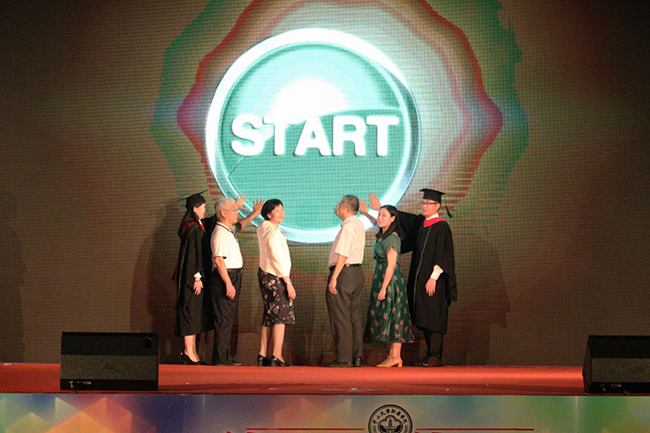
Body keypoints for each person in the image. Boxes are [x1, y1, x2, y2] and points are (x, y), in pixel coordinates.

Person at [363, 189, 457, 367]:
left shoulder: (442, 227)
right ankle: (430, 354)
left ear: (437, 206)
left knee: (433, 315)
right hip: (420, 278)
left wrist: (434, 277)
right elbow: (401, 219)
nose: (424, 206)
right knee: (425, 315)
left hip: (434, 279)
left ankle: (435, 355)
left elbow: (443, 253)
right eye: (423, 203)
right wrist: (379, 209)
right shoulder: (422, 223)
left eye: (428, 204)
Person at [209, 196, 263, 366]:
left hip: (232, 277)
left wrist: (254, 214)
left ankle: (224, 357)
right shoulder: (219, 233)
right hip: (225, 278)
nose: (236, 212)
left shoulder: (227, 230)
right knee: (224, 319)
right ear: (223, 213)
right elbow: (219, 260)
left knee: (227, 318)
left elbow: (239, 225)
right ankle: (221, 359)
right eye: (233, 210)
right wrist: (228, 283)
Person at [362, 205, 414, 367]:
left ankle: (395, 356)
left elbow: (391, 265)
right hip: (381, 276)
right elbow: (376, 223)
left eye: (384, 215)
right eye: (379, 215)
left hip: (390, 280)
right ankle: (393, 356)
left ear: (393, 219)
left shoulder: (393, 238)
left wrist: (384, 287)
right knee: (388, 314)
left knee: (394, 314)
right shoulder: (383, 235)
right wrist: (366, 213)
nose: (380, 218)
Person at [325, 195, 366, 367]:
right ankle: (356, 356)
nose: (338, 209)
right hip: (356, 273)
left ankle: (344, 358)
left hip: (344, 273)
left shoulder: (348, 227)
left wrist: (334, 277)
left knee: (340, 315)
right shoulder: (358, 224)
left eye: (340, 207)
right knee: (354, 316)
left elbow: (343, 254)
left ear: (347, 209)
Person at [173, 192, 211, 365]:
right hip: (191, 279)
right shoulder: (192, 229)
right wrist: (197, 277)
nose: (204, 210)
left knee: (194, 314)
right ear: (195, 209)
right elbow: (193, 256)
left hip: (194, 277)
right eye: (203, 207)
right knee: (189, 312)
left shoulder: (196, 226)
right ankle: (188, 351)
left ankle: (192, 351)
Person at [256, 199, 295, 366]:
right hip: (276, 276)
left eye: (282, 210)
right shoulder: (274, 233)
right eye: (277, 211)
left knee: (268, 314)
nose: (281, 213)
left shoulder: (262, 227)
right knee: (280, 315)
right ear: (268, 214)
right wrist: (287, 281)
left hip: (264, 274)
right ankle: (276, 355)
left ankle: (262, 354)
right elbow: (277, 257)